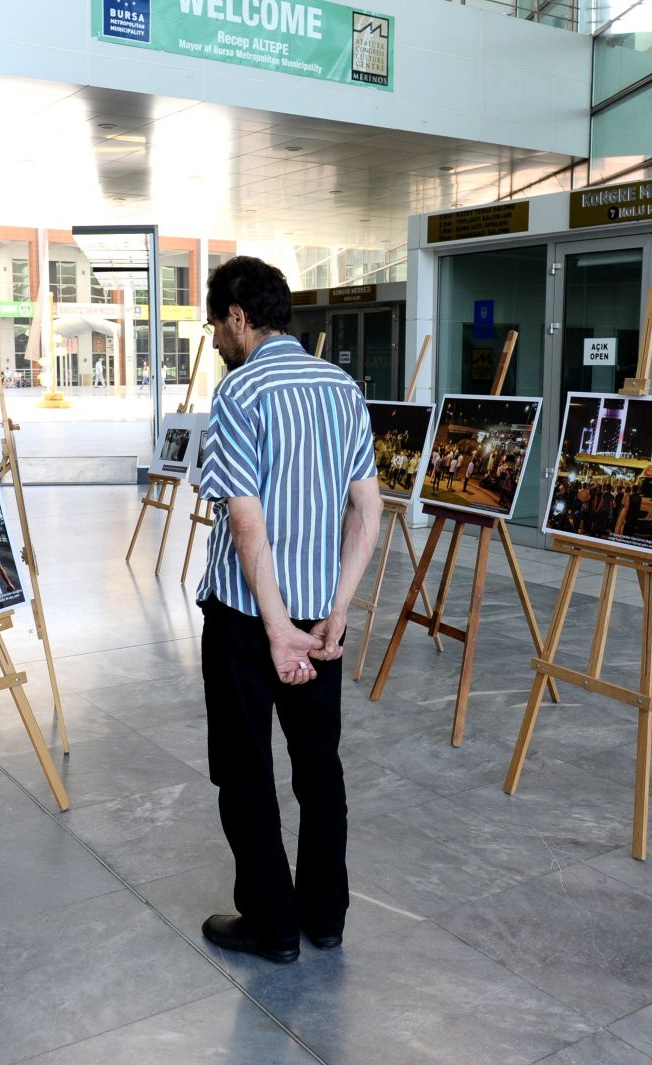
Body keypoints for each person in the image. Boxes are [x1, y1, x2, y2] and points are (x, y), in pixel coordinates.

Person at [194, 256, 382, 965]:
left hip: (249, 620)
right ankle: (326, 916)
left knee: (244, 768)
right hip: (320, 618)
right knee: (318, 765)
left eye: (217, 325)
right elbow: (368, 510)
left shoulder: (241, 391)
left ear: (239, 317)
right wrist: (338, 609)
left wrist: (275, 629)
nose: (217, 338)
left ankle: (272, 924)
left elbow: (247, 523)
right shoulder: (342, 388)